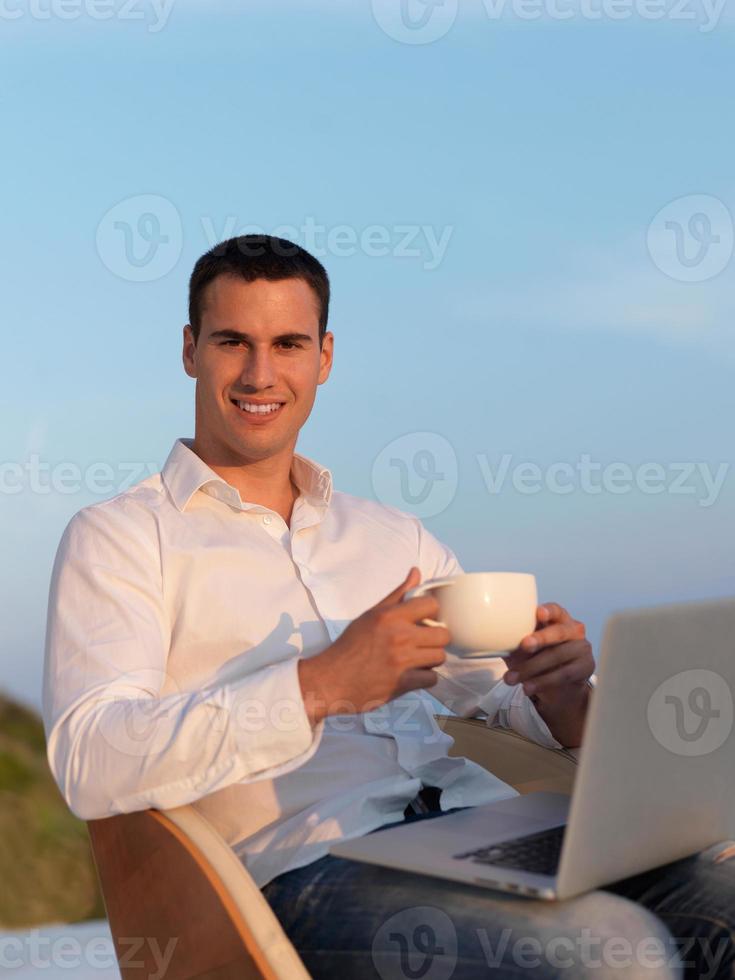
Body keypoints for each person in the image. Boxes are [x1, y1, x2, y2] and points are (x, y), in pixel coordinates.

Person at [43, 235, 734, 979]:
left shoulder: (389, 535)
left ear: (325, 357)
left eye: (288, 344)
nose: (260, 373)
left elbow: (492, 700)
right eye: (233, 341)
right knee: (610, 949)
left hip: (476, 830)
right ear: (190, 350)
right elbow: (91, 756)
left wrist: (560, 694)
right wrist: (319, 686)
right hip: (300, 875)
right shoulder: (120, 536)